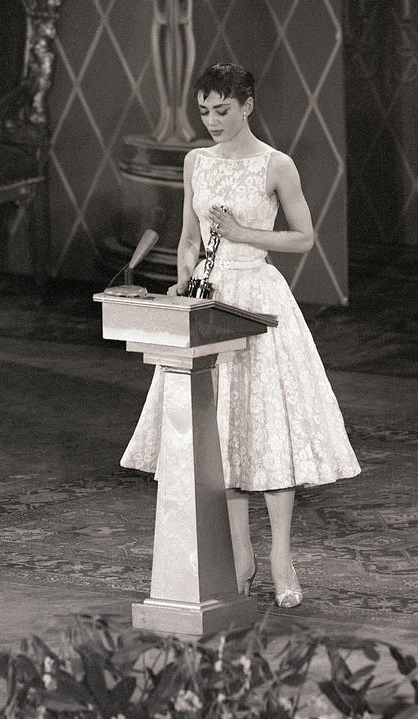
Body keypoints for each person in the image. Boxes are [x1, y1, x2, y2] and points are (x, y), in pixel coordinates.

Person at [121, 63, 361, 608]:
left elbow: (302, 239)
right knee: (220, 431)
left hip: (258, 298)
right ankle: (240, 553)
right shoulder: (195, 162)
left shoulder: (277, 165)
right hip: (211, 300)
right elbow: (187, 236)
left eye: (222, 111)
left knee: (267, 424)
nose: (211, 121)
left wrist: (243, 234)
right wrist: (185, 274)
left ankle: (281, 556)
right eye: (204, 111)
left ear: (247, 106)